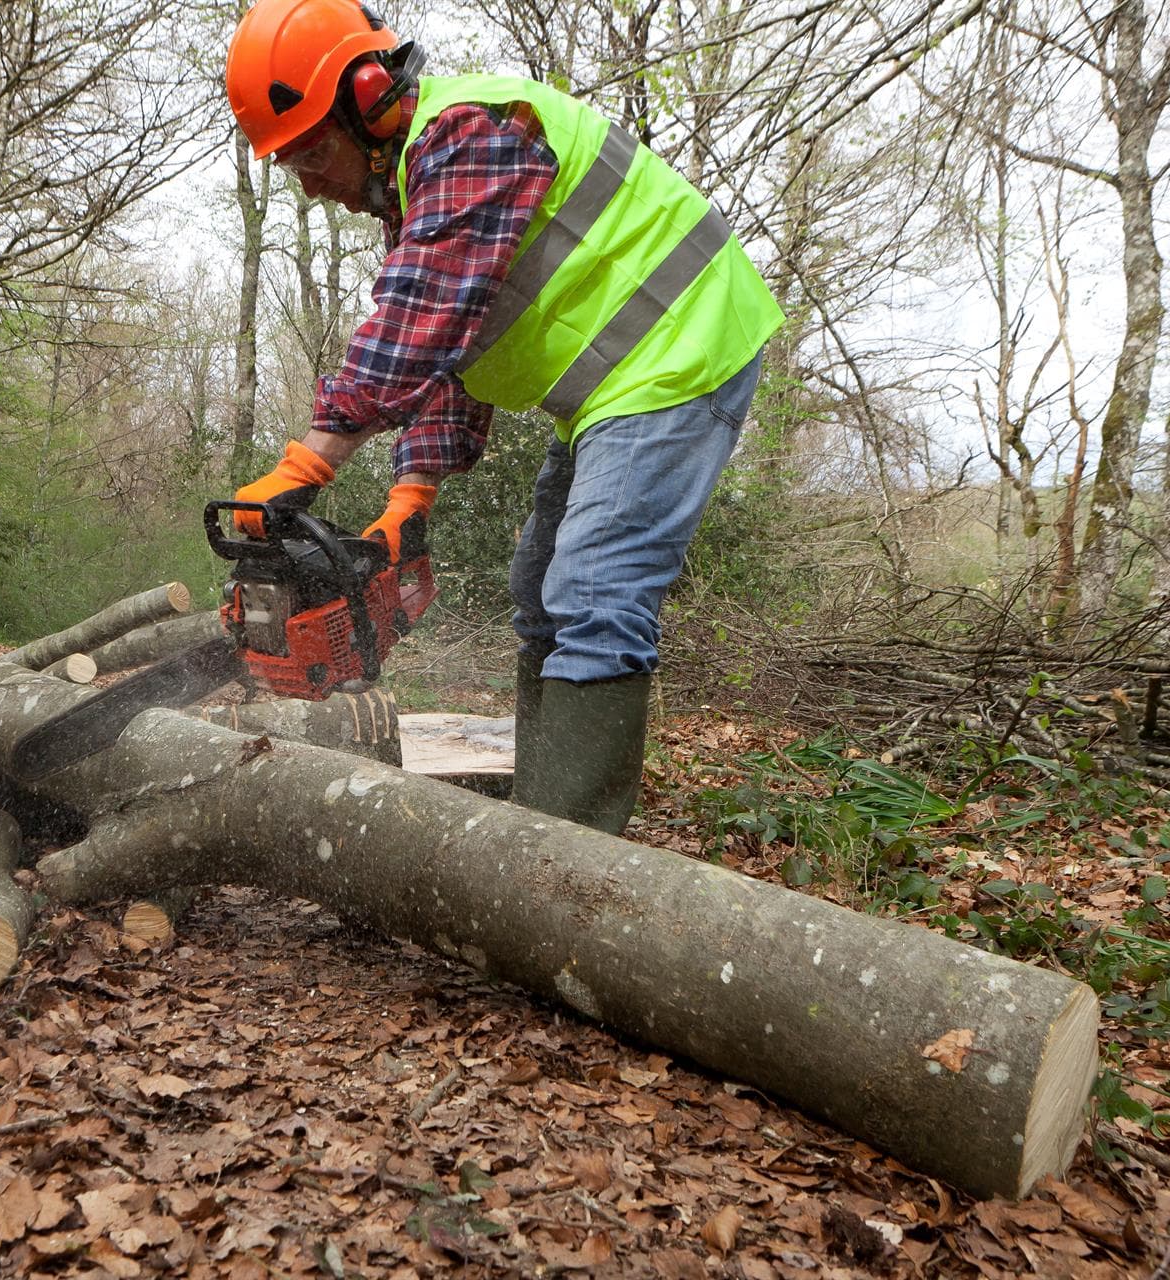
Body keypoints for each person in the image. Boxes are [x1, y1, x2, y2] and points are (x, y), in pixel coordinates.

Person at [224, 0, 783, 834]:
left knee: (594, 591)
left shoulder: (477, 134)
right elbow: (450, 354)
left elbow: (418, 318)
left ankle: (565, 862)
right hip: (617, 389)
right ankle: (542, 821)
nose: (307, 180)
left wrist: (308, 464)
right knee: (540, 592)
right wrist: (407, 502)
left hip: (685, 346)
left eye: (312, 151)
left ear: (368, 98)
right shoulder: (422, 189)